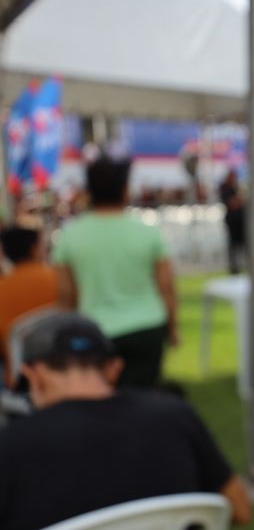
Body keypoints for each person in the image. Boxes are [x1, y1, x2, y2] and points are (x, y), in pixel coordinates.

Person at [0, 312, 251, 529]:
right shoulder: (175, 415)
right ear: (113, 368)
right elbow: (240, 509)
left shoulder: (10, 445)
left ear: (32, 375)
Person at [53, 154, 178, 388]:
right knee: (142, 404)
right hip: (147, 328)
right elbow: (166, 288)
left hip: (93, 331)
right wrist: (172, 328)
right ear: (124, 189)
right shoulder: (147, 232)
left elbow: (66, 295)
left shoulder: (69, 236)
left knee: (100, 408)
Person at [0, 226, 58, 387]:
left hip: (18, 377)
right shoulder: (58, 281)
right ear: (34, 249)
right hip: (63, 367)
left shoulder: (3, 288)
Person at [218, 169, 247, 274]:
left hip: (240, 222)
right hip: (232, 222)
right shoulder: (224, 188)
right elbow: (231, 203)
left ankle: (241, 265)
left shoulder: (235, 188)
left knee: (242, 245)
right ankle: (234, 267)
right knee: (233, 246)